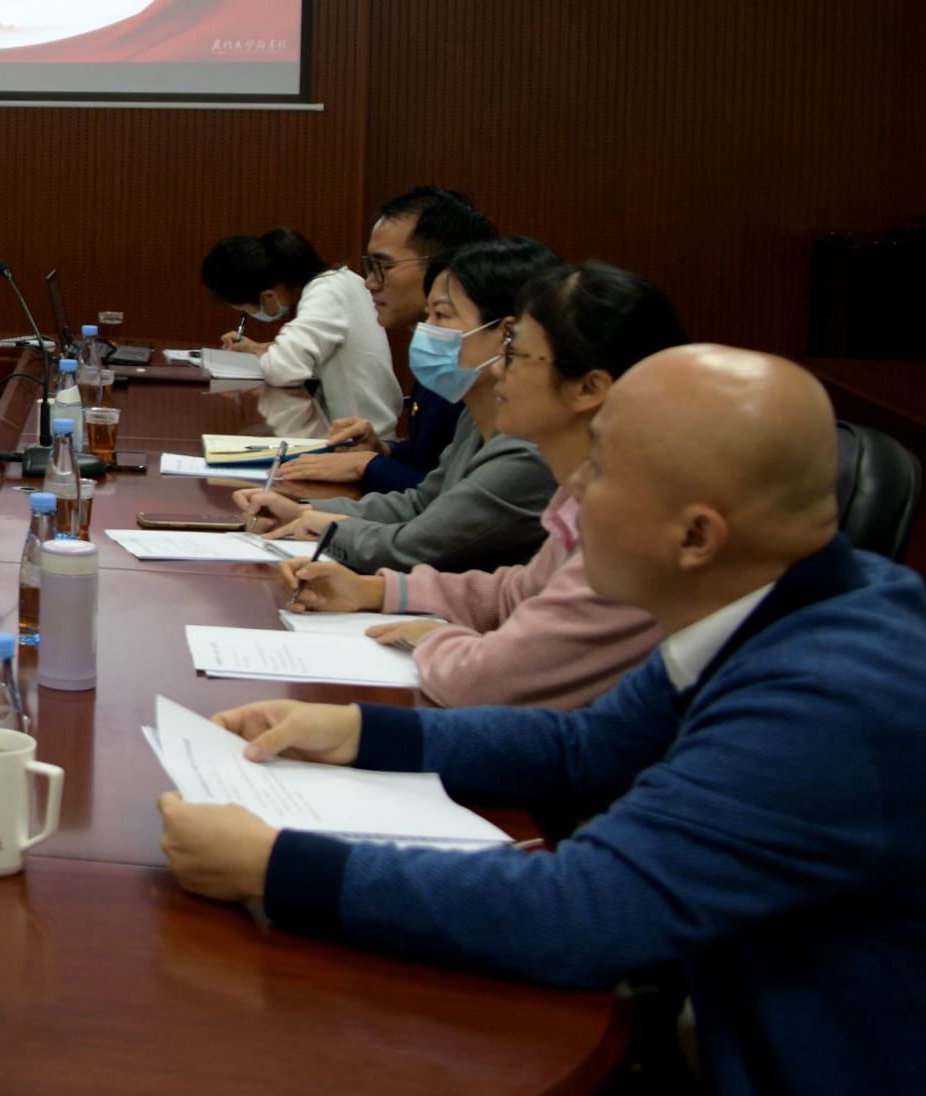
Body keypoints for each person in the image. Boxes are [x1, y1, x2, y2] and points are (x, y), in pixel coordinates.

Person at [159, 346, 926, 1096]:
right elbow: (583, 747)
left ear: (696, 535)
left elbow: (581, 910)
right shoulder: (772, 606)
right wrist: (358, 730)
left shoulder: (831, 697)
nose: (572, 495)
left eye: (603, 470)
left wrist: (275, 868)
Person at [282, 262, 689, 707]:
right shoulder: (586, 484)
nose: (500, 370)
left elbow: (490, 678)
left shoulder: (634, 526)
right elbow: (519, 591)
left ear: (588, 387)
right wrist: (376, 591)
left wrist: (434, 637)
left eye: (517, 354)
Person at [235, 236, 560, 572]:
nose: (426, 330)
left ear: (509, 336)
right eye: (428, 314)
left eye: (442, 315)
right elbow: (421, 503)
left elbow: (418, 545)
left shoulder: (528, 447)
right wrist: (303, 511)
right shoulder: (474, 418)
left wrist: (321, 528)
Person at [280, 185, 496, 492]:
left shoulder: (477, 364)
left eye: (383, 266)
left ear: (443, 266)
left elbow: (454, 495)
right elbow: (431, 461)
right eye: (370, 267)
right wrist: (384, 450)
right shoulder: (435, 349)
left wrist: (370, 465)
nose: (370, 283)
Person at [199, 226, 399, 438]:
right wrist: (258, 348)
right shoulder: (342, 280)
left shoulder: (326, 293)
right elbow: (324, 350)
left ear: (268, 296)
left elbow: (281, 370)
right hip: (355, 432)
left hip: (362, 443)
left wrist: (262, 357)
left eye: (245, 309)